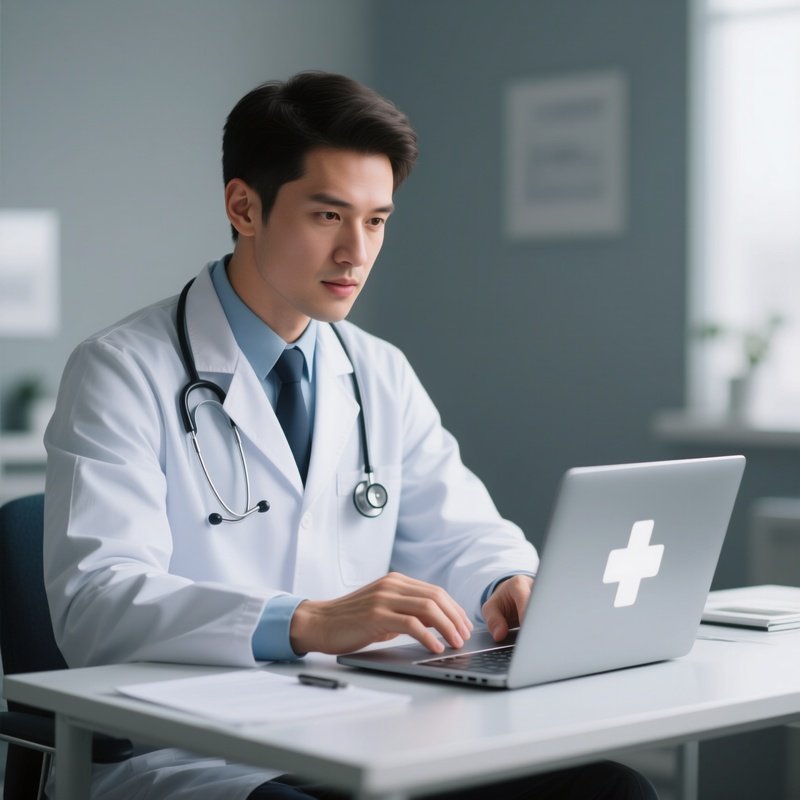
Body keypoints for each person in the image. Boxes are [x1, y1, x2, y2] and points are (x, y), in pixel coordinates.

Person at [43, 72, 657, 800]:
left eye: (376, 220)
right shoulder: (121, 371)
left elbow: (462, 531)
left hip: (364, 728)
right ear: (244, 206)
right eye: (328, 216)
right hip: (186, 752)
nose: (355, 253)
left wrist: (506, 583)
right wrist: (303, 622)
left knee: (607, 789)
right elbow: (96, 601)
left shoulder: (377, 370)